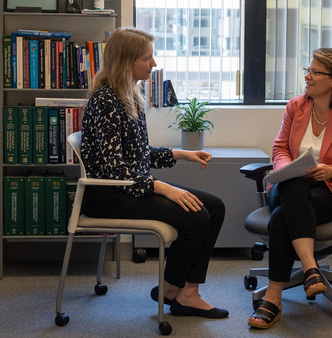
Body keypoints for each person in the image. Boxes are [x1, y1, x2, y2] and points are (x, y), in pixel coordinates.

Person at [80, 27, 228, 319]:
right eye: (147, 58)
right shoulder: (106, 101)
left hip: (130, 186)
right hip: (108, 194)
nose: (154, 63)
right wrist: (164, 188)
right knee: (197, 216)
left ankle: (181, 291)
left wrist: (180, 153)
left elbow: (138, 153)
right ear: (126, 62)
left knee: (215, 207)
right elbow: (115, 170)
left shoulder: (130, 96)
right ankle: (179, 291)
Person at [248, 48, 332, 329]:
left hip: (330, 192)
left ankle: (273, 298)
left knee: (281, 217)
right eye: (308, 70)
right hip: (288, 186)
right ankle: (310, 269)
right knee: (293, 183)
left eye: (315, 72)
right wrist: (285, 167)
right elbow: (280, 147)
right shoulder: (296, 106)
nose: (307, 76)